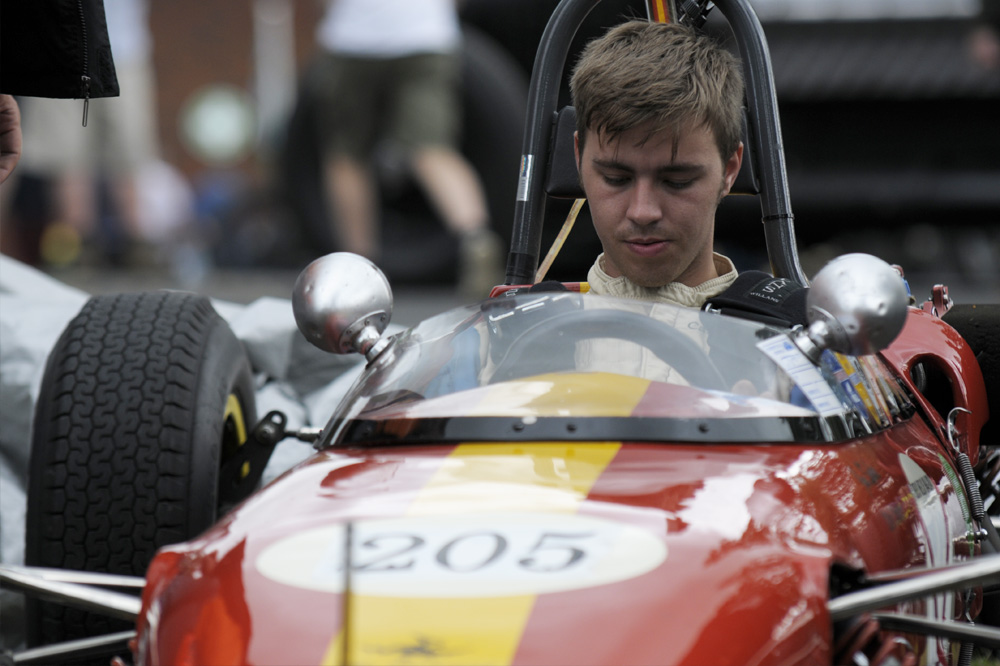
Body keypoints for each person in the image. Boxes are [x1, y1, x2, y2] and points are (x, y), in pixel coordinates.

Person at [311, 0, 503, 296]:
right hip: (424, 34)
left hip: (354, 39)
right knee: (432, 149)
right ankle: (474, 238)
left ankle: (360, 271)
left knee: (348, 156)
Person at [570, 20, 745, 308]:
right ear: (578, 159)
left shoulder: (786, 339)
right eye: (616, 178)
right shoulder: (524, 336)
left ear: (729, 171)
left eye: (677, 182)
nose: (642, 212)